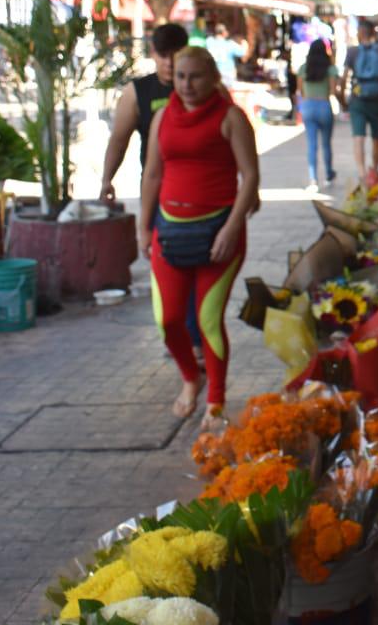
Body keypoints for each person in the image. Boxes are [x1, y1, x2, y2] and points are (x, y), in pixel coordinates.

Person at [139, 47, 259, 426]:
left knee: (208, 319)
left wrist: (232, 226)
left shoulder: (230, 118)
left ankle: (216, 401)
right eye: (180, 76)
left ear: (213, 78)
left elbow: (251, 178)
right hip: (169, 231)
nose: (187, 85)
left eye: (196, 76)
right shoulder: (161, 117)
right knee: (168, 320)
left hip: (218, 233)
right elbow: (152, 175)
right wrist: (143, 226)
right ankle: (191, 378)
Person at [100, 22, 203, 359]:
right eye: (163, 56)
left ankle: (196, 337)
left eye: (177, 56)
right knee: (168, 266)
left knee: (199, 268)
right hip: (159, 191)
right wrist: (106, 179)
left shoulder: (201, 89)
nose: (171, 65)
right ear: (153, 55)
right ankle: (177, 336)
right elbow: (119, 139)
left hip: (202, 195)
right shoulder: (138, 93)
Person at [338, 19, 378, 178]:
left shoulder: (352, 52)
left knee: (358, 138)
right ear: (373, 33)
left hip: (357, 100)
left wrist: (343, 101)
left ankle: (362, 173)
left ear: (359, 34)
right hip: (377, 100)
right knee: (377, 138)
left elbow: (343, 79)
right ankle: (374, 170)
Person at [297, 39, 340, 189]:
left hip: (308, 106)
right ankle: (328, 174)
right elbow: (334, 91)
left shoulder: (304, 68)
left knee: (312, 144)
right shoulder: (330, 69)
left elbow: (300, 90)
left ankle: (313, 179)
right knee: (326, 144)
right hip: (324, 105)